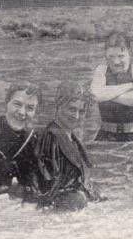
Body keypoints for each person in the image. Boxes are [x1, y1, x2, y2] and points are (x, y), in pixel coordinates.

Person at [29, 82, 102, 211]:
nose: (76, 116)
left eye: (81, 111)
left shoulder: (71, 138)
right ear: (59, 105)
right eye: (72, 109)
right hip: (62, 206)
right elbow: (46, 184)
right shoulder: (50, 138)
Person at [90, 33, 133, 141]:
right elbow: (95, 95)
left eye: (121, 56)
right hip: (106, 135)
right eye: (111, 57)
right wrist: (129, 86)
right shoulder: (101, 70)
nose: (116, 61)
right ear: (105, 55)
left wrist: (105, 94)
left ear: (129, 53)